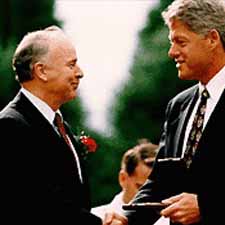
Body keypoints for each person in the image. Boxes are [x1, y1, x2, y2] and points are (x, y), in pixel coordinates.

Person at [106, 0, 225, 225]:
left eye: (181, 42)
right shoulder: (179, 106)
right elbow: (161, 182)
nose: (172, 52)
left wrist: (207, 205)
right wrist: (126, 218)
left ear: (212, 39)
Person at [0, 26, 127, 225]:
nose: (80, 73)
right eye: (71, 65)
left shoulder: (60, 126)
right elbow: (36, 205)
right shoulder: (10, 127)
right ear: (41, 71)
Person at [92, 141, 159, 217]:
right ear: (123, 178)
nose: (151, 196)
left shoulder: (171, 220)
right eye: (142, 188)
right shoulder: (97, 218)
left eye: (157, 189)